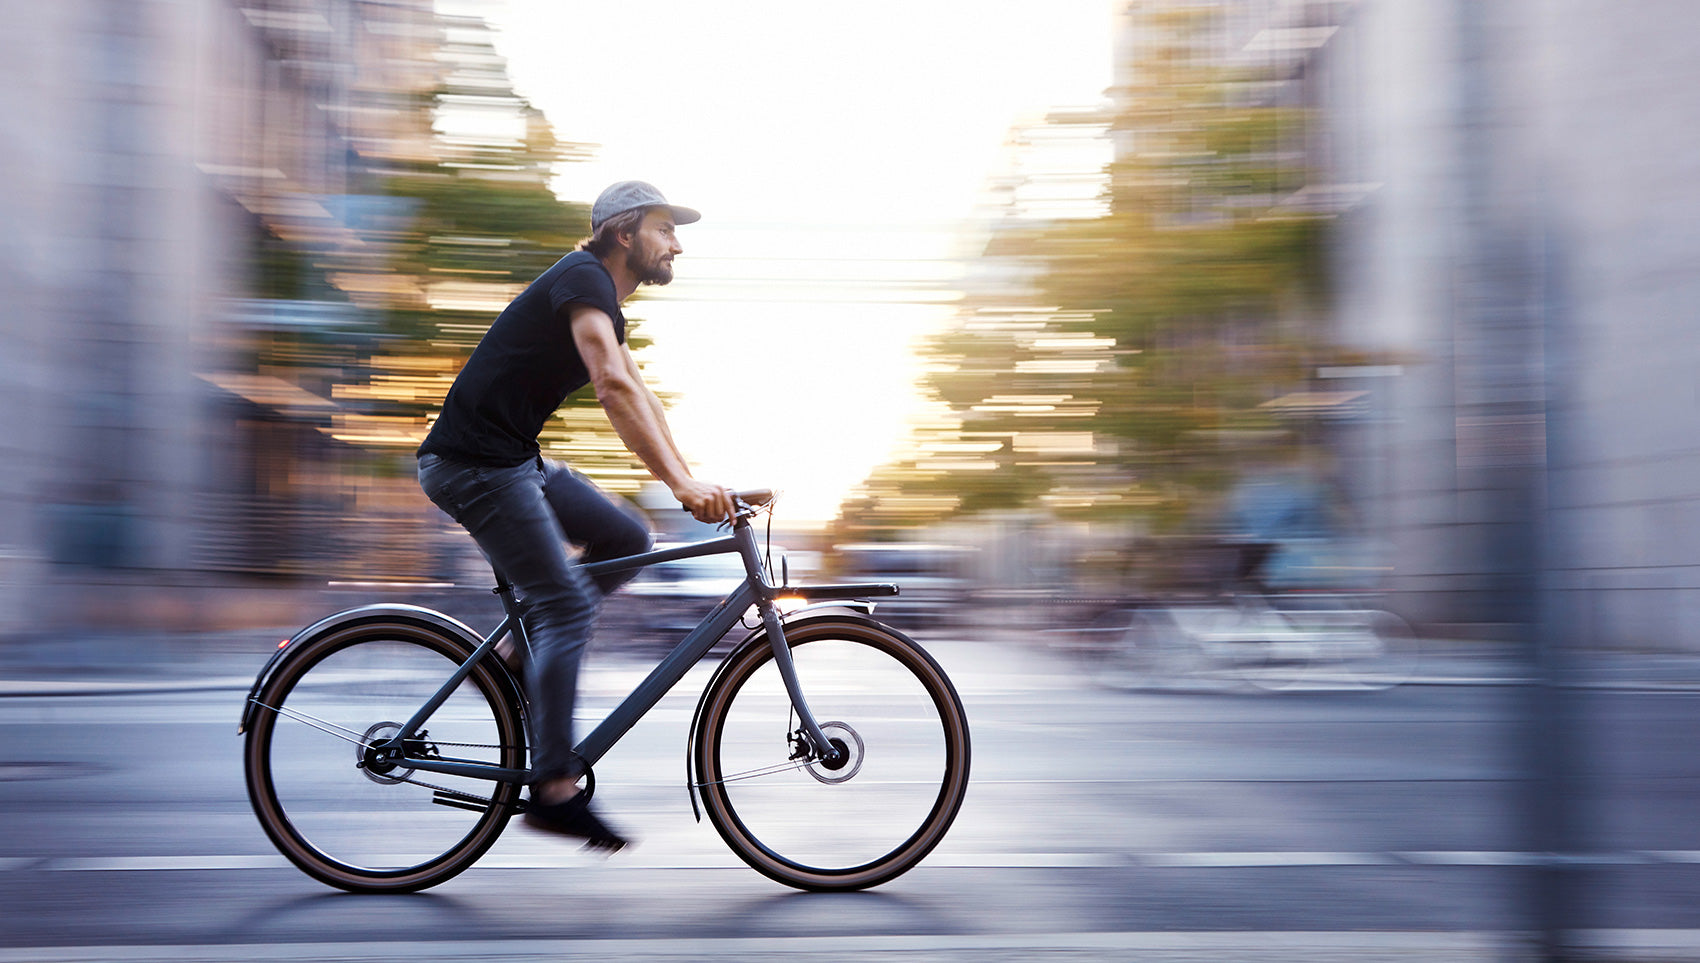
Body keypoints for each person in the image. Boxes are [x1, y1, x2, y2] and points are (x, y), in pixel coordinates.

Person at [416, 181, 734, 851]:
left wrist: (693, 477)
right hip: (471, 465)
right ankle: (553, 790)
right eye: (664, 228)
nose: (677, 242)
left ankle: (509, 660)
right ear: (623, 233)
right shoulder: (583, 279)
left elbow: (644, 397)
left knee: (625, 535)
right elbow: (613, 386)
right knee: (567, 608)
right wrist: (679, 484)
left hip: (513, 461)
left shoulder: (604, 304)